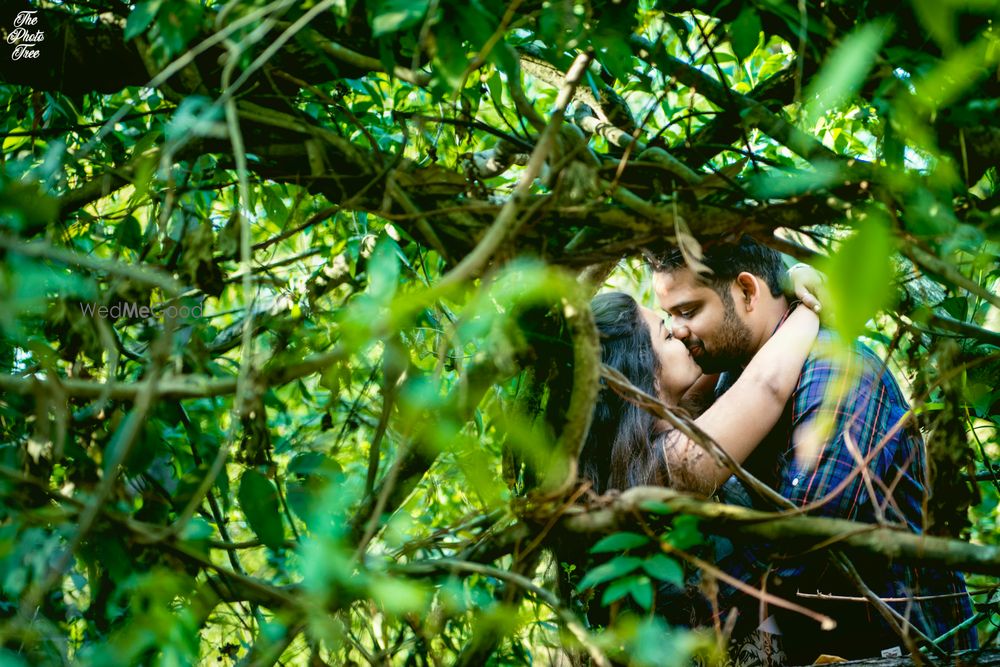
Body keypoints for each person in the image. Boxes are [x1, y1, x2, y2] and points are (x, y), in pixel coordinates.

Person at [646, 235, 977, 661]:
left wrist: (694, 626)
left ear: (747, 291)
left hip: (904, 647)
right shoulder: (737, 377)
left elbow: (805, 539)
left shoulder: (837, 370)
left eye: (688, 311)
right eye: (667, 315)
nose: (675, 328)